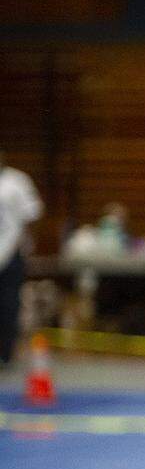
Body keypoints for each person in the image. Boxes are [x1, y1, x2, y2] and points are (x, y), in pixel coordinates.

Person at [0, 150, 43, 367]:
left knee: (8, 305)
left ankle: (6, 353)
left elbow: (32, 215)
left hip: (11, 252)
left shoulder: (17, 182)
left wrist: (26, 245)